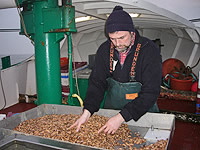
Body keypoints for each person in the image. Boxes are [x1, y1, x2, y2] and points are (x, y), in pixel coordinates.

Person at [69, 6, 162, 134]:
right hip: (112, 113)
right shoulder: (105, 50)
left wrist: (120, 118)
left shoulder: (149, 50)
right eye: (112, 39)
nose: (117, 44)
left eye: (122, 38)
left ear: (132, 32)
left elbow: (151, 92)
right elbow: (97, 83)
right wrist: (87, 112)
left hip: (142, 114)